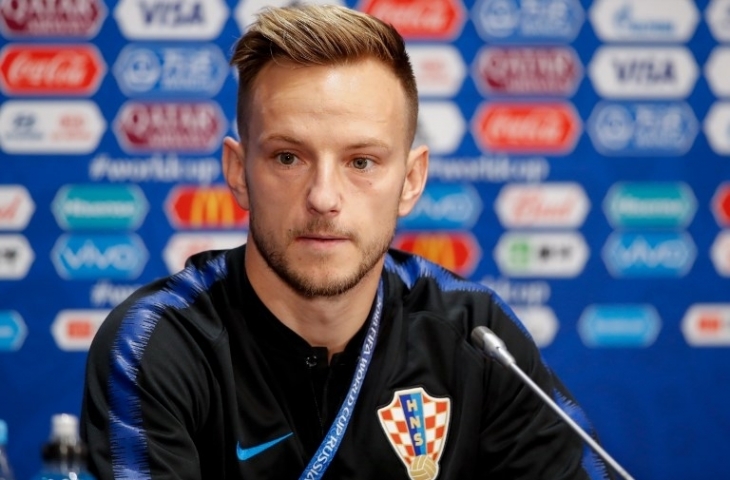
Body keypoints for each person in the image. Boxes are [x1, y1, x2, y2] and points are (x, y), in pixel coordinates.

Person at [81, 4, 612, 479]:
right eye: (288, 158)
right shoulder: (157, 342)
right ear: (239, 172)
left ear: (410, 180)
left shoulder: (475, 336)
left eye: (362, 162)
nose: (324, 197)